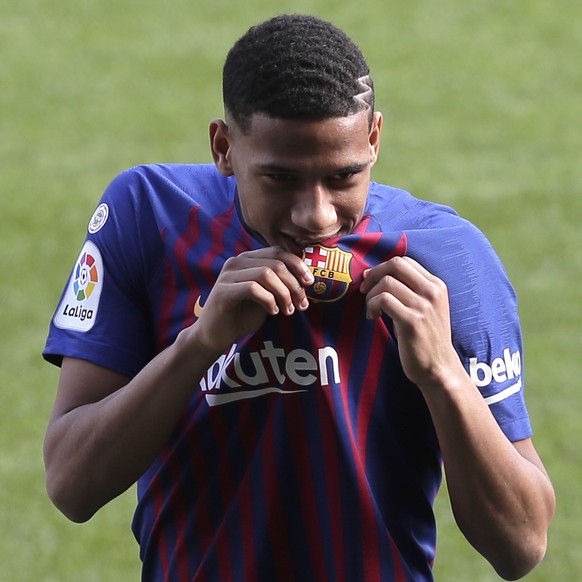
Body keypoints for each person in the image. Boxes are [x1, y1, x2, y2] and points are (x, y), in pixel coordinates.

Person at [43, 13, 555, 582]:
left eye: (342, 177)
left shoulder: (445, 258)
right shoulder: (149, 217)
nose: (315, 215)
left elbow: (522, 545)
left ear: (375, 139)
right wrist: (199, 345)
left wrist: (442, 375)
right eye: (281, 179)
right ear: (223, 148)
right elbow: (71, 485)